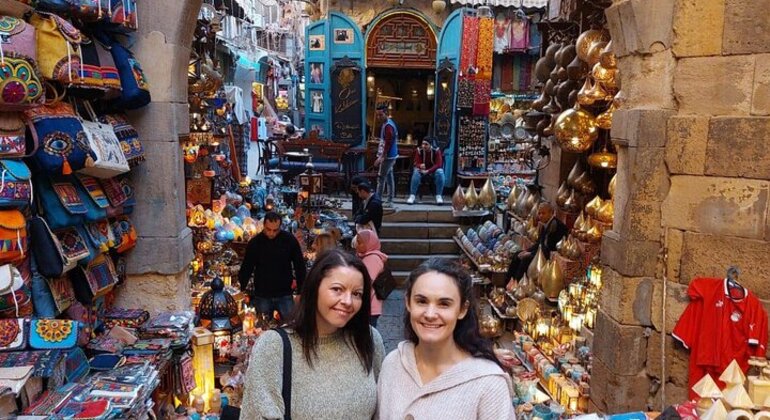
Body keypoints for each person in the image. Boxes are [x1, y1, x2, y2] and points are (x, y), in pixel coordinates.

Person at [241, 249, 385, 420]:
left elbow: (381, 411)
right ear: (315, 287)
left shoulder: (368, 338)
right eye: (337, 289)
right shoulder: (274, 346)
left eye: (356, 294)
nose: (347, 301)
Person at [376, 258, 515, 420]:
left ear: (462, 309)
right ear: (408, 303)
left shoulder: (489, 384)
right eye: (421, 301)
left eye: (444, 304)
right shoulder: (393, 364)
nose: (430, 314)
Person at [238, 211, 307, 321]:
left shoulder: (289, 240)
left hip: (284, 293)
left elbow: (300, 266)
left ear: (280, 227)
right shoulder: (255, 243)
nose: (271, 233)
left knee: (290, 327)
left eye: (275, 230)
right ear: (264, 226)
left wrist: (300, 292)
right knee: (263, 330)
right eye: (268, 229)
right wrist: (241, 289)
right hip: (262, 294)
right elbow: (247, 267)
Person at [506, 202, 568, 282]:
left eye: (543, 213)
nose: (540, 216)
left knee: (526, 259)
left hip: (549, 255)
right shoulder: (545, 225)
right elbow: (539, 243)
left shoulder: (556, 226)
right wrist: (526, 251)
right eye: (539, 213)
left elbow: (548, 248)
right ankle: (509, 281)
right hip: (540, 251)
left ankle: (518, 283)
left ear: (551, 213)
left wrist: (531, 254)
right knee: (517, 254)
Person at [353, 230, 387, 327]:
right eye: (357, 241)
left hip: (369, 306)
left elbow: (366, 282)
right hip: (366, 305)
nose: (357, 245)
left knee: (367, 336)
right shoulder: (365, 257)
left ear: (369, 244)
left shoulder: (373, 259)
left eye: (360, 242)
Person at [406, 139, 445, 205]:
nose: (424, 146)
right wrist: (420, 165)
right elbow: (416, 163)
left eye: (426, 144)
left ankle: (439, 196)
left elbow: (439, 164)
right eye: (423, 144)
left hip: (433, 170)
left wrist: (428, 171)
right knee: (416, 171)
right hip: (422, 170)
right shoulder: (419, 150)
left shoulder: (436, 150)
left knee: (440, 172)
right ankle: (412, 196)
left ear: (430, 145)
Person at [374, 103, 398, 206]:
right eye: (377, 115)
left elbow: (388, 142)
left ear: (386, 113)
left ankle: (377, 200)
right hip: (390, 154)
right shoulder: (387, 123)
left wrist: (382, 157)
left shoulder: (388, 126)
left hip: (388, 156)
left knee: (381, 177)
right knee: (389, 177)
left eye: (380, 115)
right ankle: (389, 199)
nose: (379, 117)